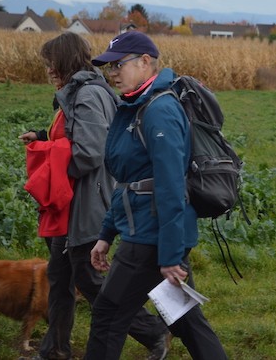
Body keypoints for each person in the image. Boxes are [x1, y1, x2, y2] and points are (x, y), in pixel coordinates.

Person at [19, 32, 168, 360]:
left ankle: (153, 331)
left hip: (87, 202)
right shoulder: (75, 92)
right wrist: (45, 136)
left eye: (50, 63)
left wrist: (48, 158)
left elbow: (90, 152)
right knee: (59, 278)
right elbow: (79, 134)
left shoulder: (87, 94)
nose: (47, 69)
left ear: (64, 61)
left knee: (88, 278)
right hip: (71, 204)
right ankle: (55, 350)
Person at [86, 30, 227, 360]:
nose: (113, 73)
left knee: (108, 314)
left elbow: (170, 187)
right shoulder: (137, 106)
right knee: (184, 318)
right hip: (149, 232)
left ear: (145, 62)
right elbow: (129, 181)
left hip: (151, 237)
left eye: (118, 65)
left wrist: (169, 255)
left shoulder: (159, 110)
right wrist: (106, 234)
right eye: (109, 67)